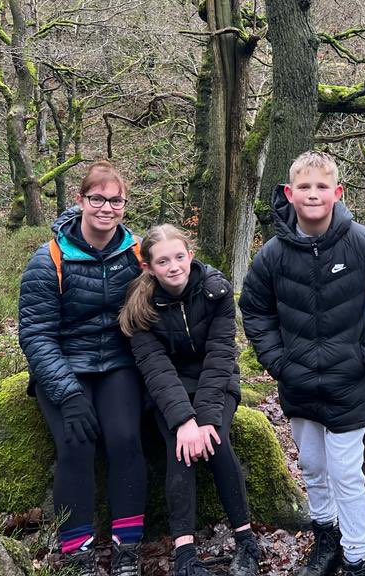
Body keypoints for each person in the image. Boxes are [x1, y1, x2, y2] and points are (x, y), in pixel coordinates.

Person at [239, 150, 365, 576]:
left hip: (349, 383)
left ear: (337, 192)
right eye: (304, 187)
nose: (313, 194)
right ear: (289, 193)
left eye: (321, 187)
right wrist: (278, 362)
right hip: (297, 383)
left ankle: (357, 557)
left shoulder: (364, 243)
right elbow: (255, 310)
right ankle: (326, 541)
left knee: (347, 473)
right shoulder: (273, 254)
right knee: (314, 469)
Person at [18, 161, 146, 576]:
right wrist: (67, 394)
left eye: (115, 200)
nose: (106, 208)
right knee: (77, 443)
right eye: (98, 199)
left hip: (118, 363)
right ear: (81, 200)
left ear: (124, 204)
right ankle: (76, 550)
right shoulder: (49, 258)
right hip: (65, 365)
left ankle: (127, 546)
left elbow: (179, 274)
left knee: (126, 439)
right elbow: (36, 334)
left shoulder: (137, 253)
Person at [119, 224, 260, 576]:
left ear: (190, 256)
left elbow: (221, 354)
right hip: (169, 388)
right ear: (148, 267)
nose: (174, 266)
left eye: (179, 257)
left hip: (215, 382)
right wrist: (184, 420)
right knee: (178, 449)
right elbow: (155, 368)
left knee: (216, 442)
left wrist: (207, 419)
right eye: (163, 261)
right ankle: (185, 555)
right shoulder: (139, 307)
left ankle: (246, 542)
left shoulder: (217, 291)